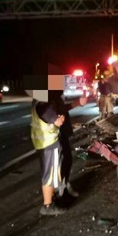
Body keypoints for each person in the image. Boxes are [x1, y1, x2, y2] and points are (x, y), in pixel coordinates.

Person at [31, 87, 87, 216]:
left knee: (52, 172)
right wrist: (59, 118)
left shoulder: (43, 99)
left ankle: (55, 196)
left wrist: (75, 104)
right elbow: (57, 120)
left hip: (46, 142)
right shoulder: (43, 103)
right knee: (49, 175)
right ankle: (47, 205)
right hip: (48, 143)